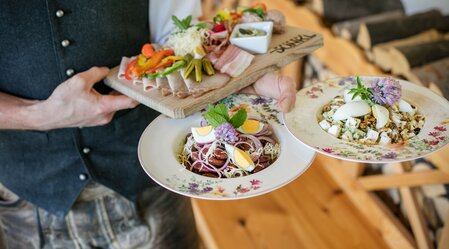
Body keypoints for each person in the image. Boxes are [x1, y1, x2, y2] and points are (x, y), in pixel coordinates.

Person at [0, 1, 296, 248]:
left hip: (151, 178)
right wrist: (38, 115)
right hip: (29, 203)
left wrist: (236, 77)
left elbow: (177, 36)